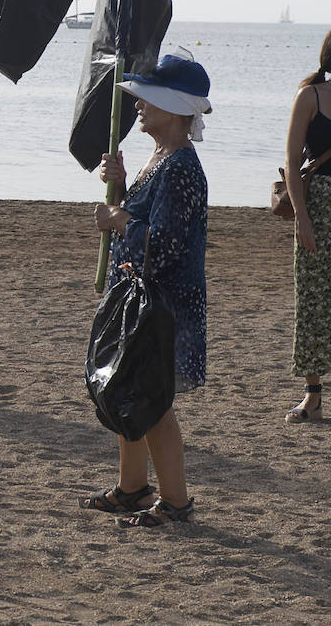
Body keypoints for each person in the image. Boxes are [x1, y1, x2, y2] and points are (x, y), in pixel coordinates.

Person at [84, 53, 210, 527]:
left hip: (162, 305)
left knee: (154, 403)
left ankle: (175, 502)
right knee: (128, 389)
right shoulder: (162, 158)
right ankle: (133, 487)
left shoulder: (179, 167)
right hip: (140, 301)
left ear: (174, 110)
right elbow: (149, 219)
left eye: (146, 100)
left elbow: (167, 243)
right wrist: (121, 185)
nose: (137, 105)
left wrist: (117, 219)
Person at [282, 23, 331, 423]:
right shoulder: (311, 96)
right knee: (313, 301)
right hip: (319, 206)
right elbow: (291, 162)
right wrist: (302, 217)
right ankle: (313, 395)